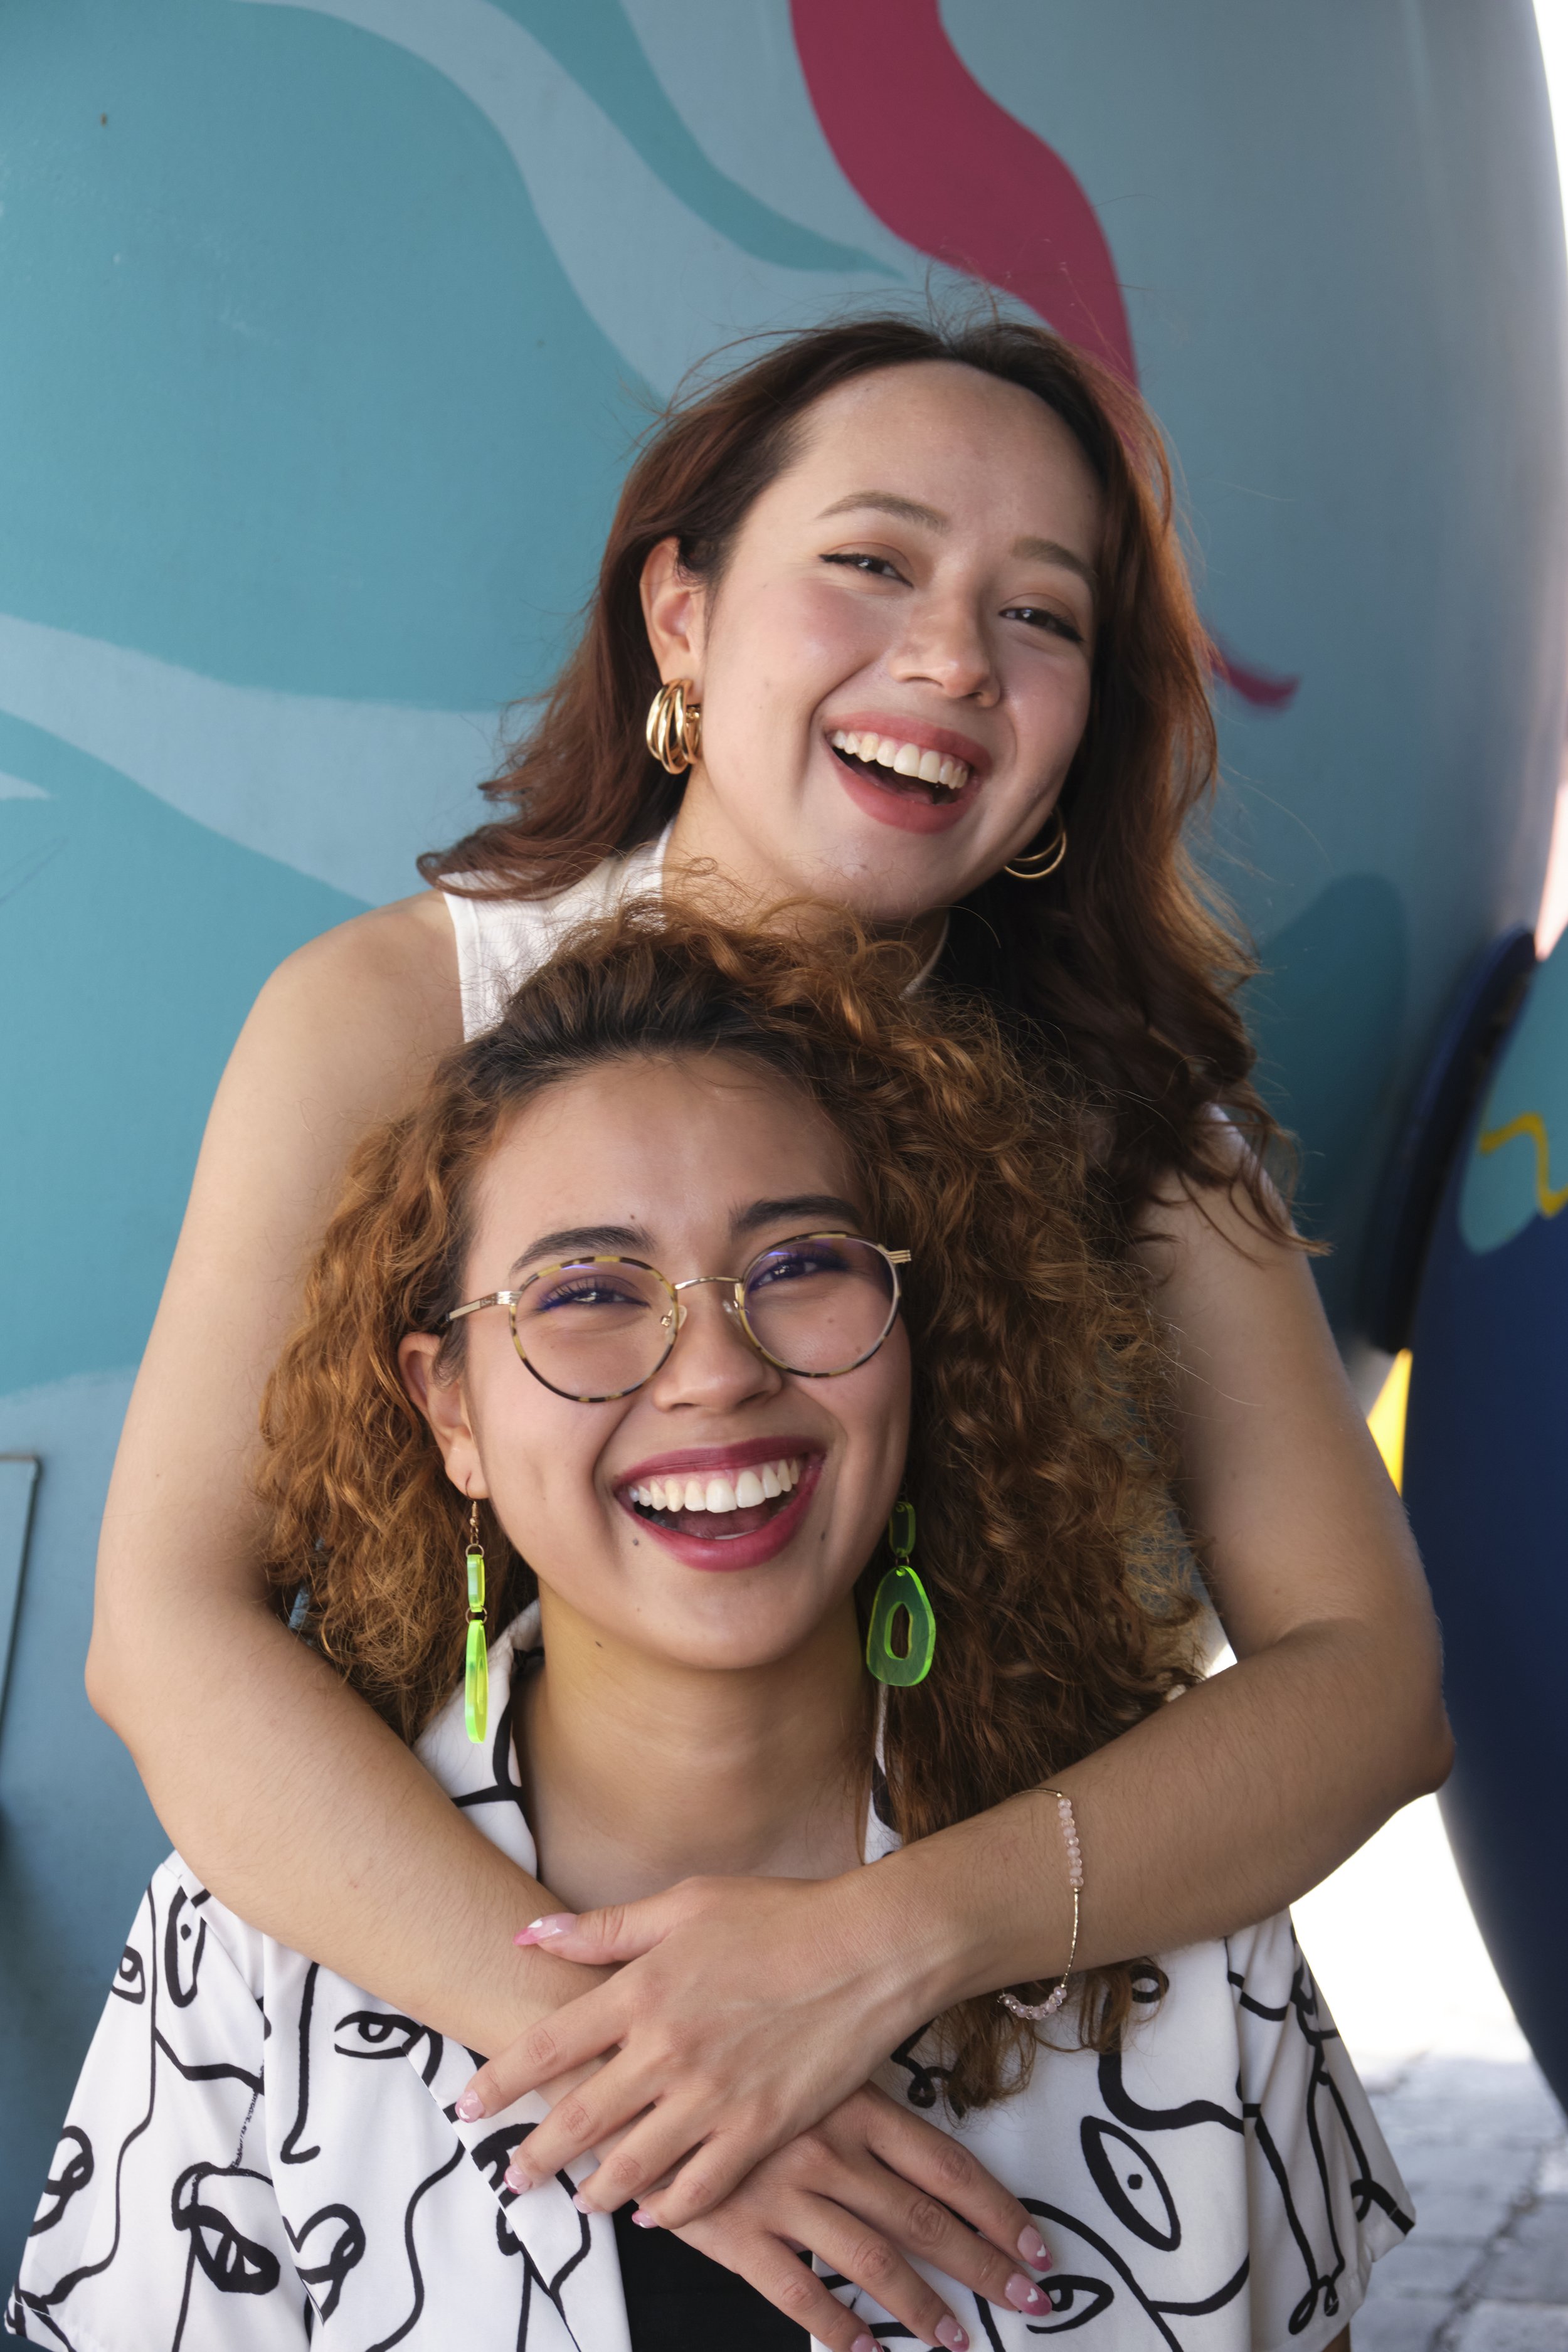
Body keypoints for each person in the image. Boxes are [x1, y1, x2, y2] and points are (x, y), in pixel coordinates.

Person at [85, 312, 1449, 2310]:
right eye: (874, 561)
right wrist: (631, 2068)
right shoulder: (387, 1020)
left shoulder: (1145, 1126)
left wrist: (872, 1948)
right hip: (416, 2050)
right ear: (682, 613)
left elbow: (1368, 1681)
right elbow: (165, 1631)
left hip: (1011, 2048)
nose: (951, 658)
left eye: (1038, 614)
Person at [16, 910, 1411, 2351]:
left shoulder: (1174, 1922)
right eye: (586, 1293)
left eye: (801, 1264)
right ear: (452, 1411)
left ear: (916, 1341)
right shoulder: (247, 1950)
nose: (714, 1370)